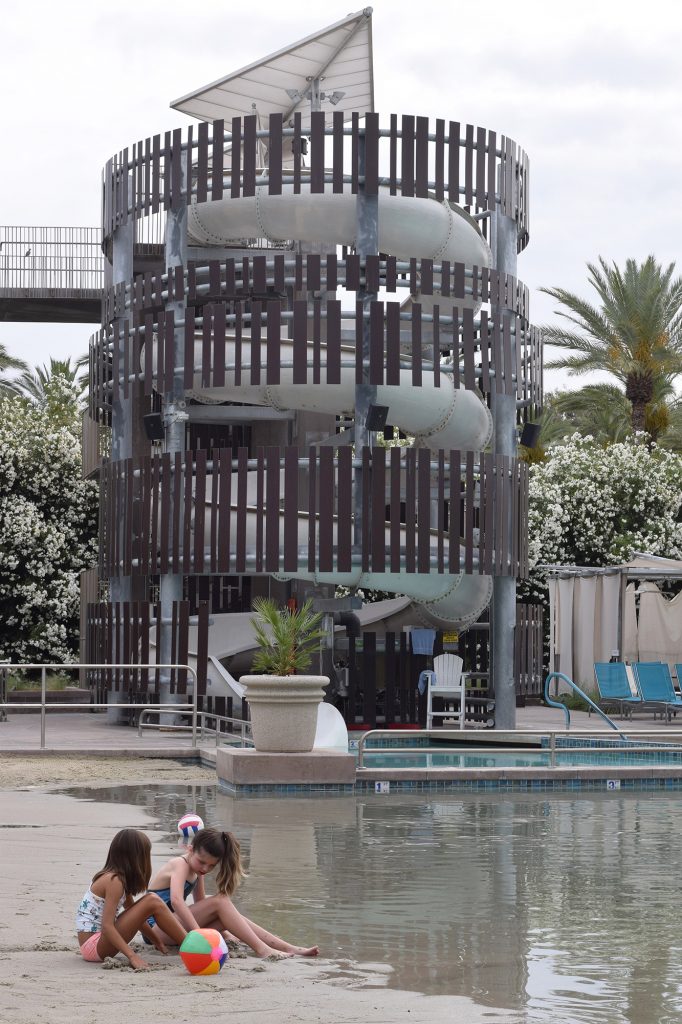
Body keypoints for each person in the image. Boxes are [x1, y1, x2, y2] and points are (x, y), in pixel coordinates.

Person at [146, 826, 319, 959]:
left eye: (212, 866)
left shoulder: (197, 871)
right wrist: (199, 935)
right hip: (155, 930)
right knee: (221, 901)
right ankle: (263, 949)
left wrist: (226, 931)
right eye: (202, 862)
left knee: (228, 913)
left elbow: (200, 905)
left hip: (171, 928)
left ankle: (287, 947)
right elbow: (177, 901)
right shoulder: (180, 864)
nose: (206, 868)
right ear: (190, 849)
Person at [76, 828, 187, 970]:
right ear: (135, 858)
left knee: (151, 901)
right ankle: (193, 947)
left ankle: (189, 944)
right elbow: (107, 926)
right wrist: (133, 956)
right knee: (152, 900)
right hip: (94, 946)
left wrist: (157, 941)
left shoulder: (118, 879)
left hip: (94, 945)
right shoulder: (114, 881)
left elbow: (136, 917)